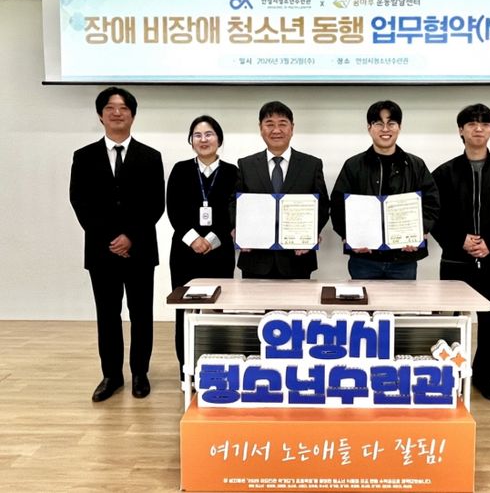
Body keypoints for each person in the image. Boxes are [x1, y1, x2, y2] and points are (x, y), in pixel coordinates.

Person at [70, 87, 165, 402]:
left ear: (133, 115)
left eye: (123, 107)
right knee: (108, 314)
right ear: (100, 115)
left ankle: (140, 373)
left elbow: (156, 203)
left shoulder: (150, 156)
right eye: (110, 107)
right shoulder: (84, 157)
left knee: (141, 314)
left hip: (140, 250)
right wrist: (111, 238)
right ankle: (111, 375)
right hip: (102, 251)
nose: (117, 112)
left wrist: (130, 237)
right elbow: (80, 202)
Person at [431, 103, 490, 401]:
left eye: (485, 124)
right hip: (455, 259)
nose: (478, 128)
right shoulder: (444, 173)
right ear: (461, 130)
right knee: (450, 319)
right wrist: (459, 240)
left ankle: (486, 377)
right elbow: (434, 215)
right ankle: (448, 374)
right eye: (472, 123)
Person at [330, 100, 439, 280]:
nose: (385, 129)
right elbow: (337, 205)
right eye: (379, 124)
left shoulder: (415, 165)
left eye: (391, 123)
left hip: (404, 258)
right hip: (364, 258)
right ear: (369, 128)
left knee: (403, 300)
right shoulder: (353, 165)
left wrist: (420, 231)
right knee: (365, 300)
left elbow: (432, 203)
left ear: (399, 127)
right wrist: (348, 236)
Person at [167, 115, 238, 376]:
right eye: (197, 135)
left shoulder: (233, 172)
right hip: (184, 253)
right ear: (191, 141)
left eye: (209, 134)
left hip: (220, 252)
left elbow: (235, 211)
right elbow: (173, 209)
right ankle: (186, 370)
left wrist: (211, 240)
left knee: (218, 308)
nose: (203, 139)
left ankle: (217, 368)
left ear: (219, 139)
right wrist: (194, 239)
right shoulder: (180, 170)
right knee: (185, 310)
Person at [234, 101, 329, 279]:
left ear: (292, 128)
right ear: (260, 128)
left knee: (298, 299)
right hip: (255, 259)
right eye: (269, 124)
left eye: (282, 124)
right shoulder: (246, 165)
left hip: (297, 258)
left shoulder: (311, 164)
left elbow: (322, 205)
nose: (276, 130)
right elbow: (234, 204)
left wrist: (312, 232)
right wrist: (237, 229)